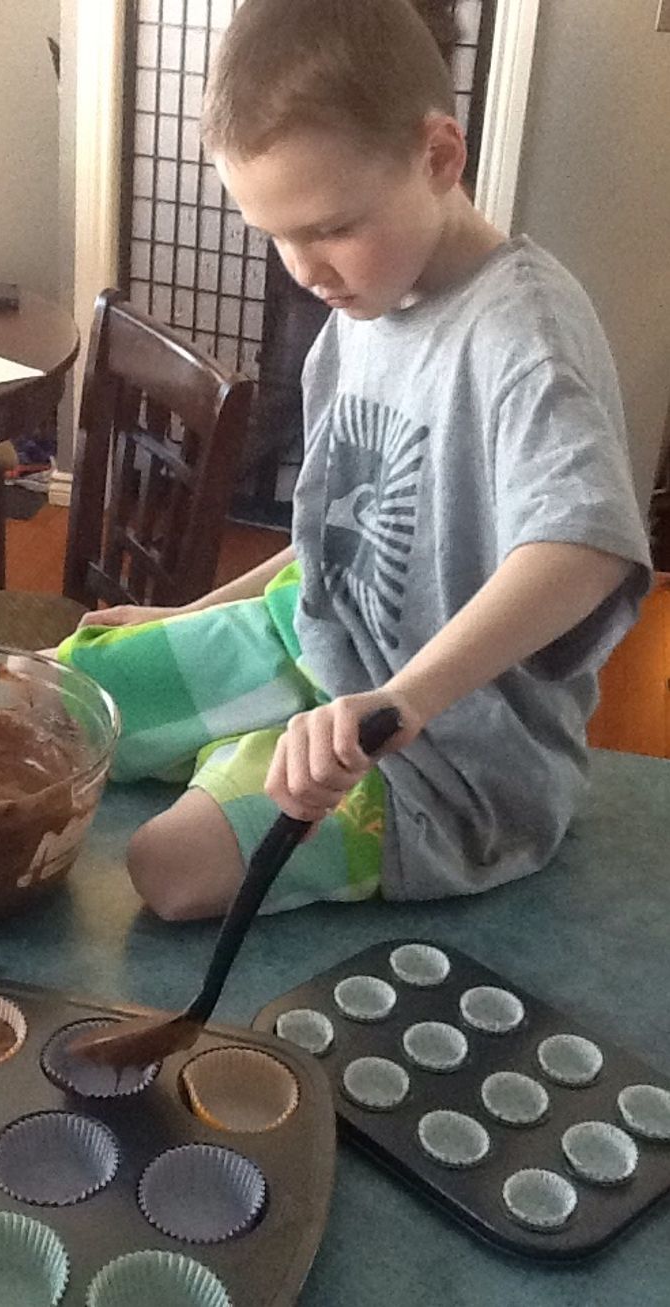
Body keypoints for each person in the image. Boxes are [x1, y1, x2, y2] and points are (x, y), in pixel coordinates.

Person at [55, 0, 651, 921]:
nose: (304, 269)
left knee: (167, 865)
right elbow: (336, 534)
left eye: (330, 227)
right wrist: (194, 613)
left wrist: (401, 702)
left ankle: (234, 752)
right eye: (275, 234)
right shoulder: (361, 307)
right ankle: (239, 737)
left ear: (439, 157)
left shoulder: (525, 336)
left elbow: (587, 547)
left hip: (448, 752)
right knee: (54, 692)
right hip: (316, 640)